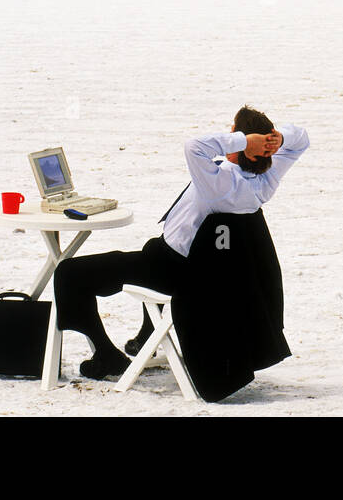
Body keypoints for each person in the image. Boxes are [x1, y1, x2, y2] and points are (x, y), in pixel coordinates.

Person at [52, 104, 309, 379]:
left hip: (172, 271)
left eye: (232, 131)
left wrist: (244, 141)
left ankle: (105, 354)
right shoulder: (264, 181)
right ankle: (145, 336)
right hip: (204, 271)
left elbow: (194, 146)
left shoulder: (218, 183)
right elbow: (301, 139)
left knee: (70, 273)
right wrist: (277, 139)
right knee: (148, 250)